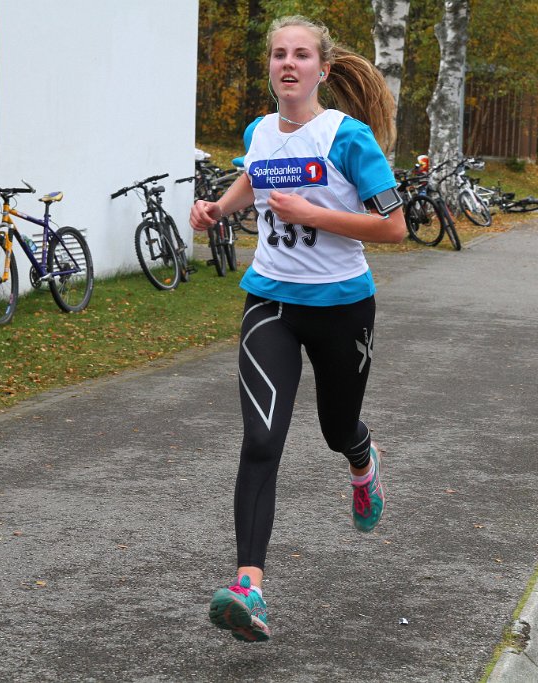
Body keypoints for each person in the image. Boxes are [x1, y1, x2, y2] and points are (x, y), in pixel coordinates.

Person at [189, 15, 407, 643]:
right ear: (270, 66)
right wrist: (219, 208)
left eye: (301, 55)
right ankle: (247, 587)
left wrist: (314, 214)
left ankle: (362, 460)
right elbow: (255, 174)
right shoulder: (259, 131)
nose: (289, 63)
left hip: (342, 307)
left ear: (323, 69)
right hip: (271, 304)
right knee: (261, 441)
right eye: (279, 54)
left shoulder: (347, 137)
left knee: (338, 428)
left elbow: (394, 227)